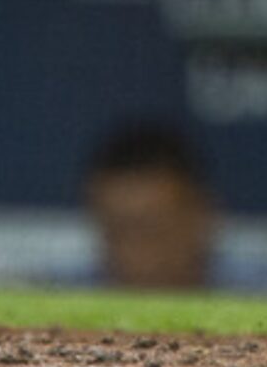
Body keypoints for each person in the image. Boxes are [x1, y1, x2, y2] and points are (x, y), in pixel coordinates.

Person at [81, 121, 217, 291]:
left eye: (152, 231)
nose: (136, 257)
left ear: (203, 218)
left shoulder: (257, 297)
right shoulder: (59, 303)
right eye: (118, 233)